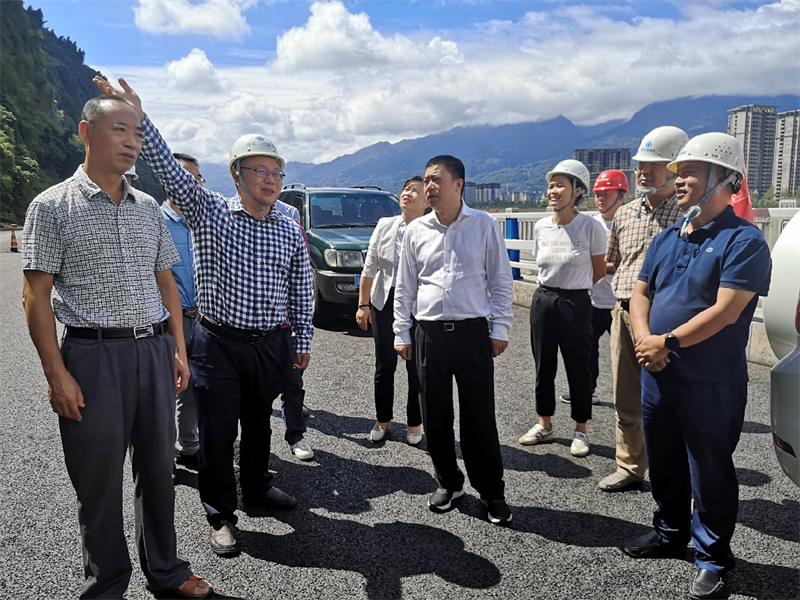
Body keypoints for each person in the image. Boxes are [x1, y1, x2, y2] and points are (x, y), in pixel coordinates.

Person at [93, 76, 314, 558]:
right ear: (236, 174)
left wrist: (302, 339)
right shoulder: (209, 210)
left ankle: (257, 488)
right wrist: (140, 119)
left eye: (276, 171)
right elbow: (169, 170)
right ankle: (220, 515)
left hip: (269, 343)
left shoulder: (289, 223)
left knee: (259, 423)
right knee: (217, 433)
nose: (270, 179)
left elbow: (301, 284)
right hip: (217, 344)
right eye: (259, 170)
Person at [21, 95, 211, 599]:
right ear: (86, 132)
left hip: (153, 350)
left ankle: (166, 571)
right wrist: (56, 374)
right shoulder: (51, 206)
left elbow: (166, 281)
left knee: (159, 471)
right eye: (120, 129)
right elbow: (35, 295)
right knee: (98, 481)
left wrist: (178, 349)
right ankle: (105, 584)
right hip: (93, 356)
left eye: (138, 133)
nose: (132, 142)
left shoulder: (148, 207)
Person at [623, 133, 771, 600]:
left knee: (709, 470)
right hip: (657, 372)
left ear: (725, 180)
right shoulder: (668, 238)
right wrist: (645, 341)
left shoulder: (744, 240)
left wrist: (665, 341)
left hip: (710, 379)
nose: (679, 180)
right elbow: (640, 293)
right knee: (664, 459)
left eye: (690, 172)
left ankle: (713, 557)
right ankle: (670, 533)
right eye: (679, 172)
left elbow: (726, 311)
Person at [394, 155, 514, 525]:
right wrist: (401, 331)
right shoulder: (416, 230)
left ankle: (491, 491)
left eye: (436, 179)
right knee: (435, 416)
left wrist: (500, 328)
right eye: (426, 180)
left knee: (479, 416)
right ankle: (449, 482)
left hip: (472, 332)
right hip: (428, 334)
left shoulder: (483, 224)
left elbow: (500, 279)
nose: (428, 187)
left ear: (458, 184)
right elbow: (405, 285)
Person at [598, 126, 687, 492]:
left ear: (675, 168)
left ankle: (679, 475)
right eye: (640, 166)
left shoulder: (687, 214)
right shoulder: (625, 213)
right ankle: (630, 465)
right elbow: (614, 261)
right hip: (623, 313)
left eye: (653, 165)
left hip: (667, 317)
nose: (644, 172)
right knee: (626, 396)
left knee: (673, 398)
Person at [518, 159, 606, 457]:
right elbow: (542, 263)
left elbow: (599, 270)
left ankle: (580, 430)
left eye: (560, 186)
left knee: (578, 367)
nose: (553, 191)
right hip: (544, 299)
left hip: (575, 302)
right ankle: (544, 424)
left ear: (578, 190)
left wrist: (574, 287)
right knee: (543, 366)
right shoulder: (542, 226)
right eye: (551, 186)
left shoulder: (590, 227)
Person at [356, 176, 427, 445]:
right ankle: (383, 419)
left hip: (417, 306)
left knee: (416, 367)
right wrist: (363, 305)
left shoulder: (431, 230)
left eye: (416, 191)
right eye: (406, 188)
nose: (408, 193)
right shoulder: (386, 225)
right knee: (385, 364)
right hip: (384, 303)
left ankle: (415, 422)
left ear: (427, 201)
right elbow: (370, 267)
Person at [560, 169, 628, 406]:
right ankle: (586, 391)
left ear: (621, 195)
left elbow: (632, 262)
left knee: (625, 353)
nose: (601, 198)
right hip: (592, 300)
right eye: (598, 193)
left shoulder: (629, 222)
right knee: (586, 349)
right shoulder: (588, 223)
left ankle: (629, 398)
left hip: (620, 301)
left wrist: (598, 265)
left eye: (607, 193)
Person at [161, 152, 205, 470]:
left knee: (191, 388)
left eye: (197, 179)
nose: (192, 184)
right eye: (186, 177)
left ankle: (189, 446)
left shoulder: (204, 222)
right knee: (163, 391)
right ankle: (163, 458)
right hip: (165, 323)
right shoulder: (153, 220)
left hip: (202, 321)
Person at [273, 198, 314, 461]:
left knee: (292, 382)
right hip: (251, 324)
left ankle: (296, 435)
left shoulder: (289, 217)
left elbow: (302, 278)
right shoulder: (232, 218)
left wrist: (303, 333)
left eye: (276, 177)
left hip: (286, 323)